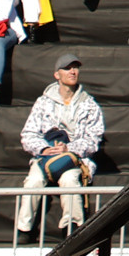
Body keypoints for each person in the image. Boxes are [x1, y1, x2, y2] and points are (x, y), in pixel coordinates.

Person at [14, 52, 105, 241]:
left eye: (75, 68)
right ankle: (25, 229)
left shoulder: (89, 104)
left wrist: (70, 149)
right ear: (57, 74)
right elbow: (28, 134)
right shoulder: (43, 102)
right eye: (67, 68)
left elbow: (94, 138)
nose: (72, 72)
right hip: (46, 158)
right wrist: (44, 149)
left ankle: (73, 227)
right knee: (33, 181)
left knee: (70, 180)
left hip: (75, 159)